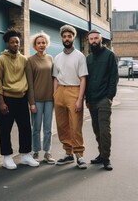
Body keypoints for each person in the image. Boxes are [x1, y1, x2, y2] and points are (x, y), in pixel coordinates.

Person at [0, 28, 39, 170]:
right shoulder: (0, 60)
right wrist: (1, 102)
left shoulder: (24, 59)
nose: (15, 44)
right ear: (7, 43)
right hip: (7, 99)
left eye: (17, 42)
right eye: (12, 42)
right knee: (4, 129)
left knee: (25, 127)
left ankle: (25, 155)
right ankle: (6, 157)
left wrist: (30, 101)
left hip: (22, 99)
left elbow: (29, 80)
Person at [53, 24, 88, 169]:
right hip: (60, 91)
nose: (67, 39)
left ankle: (79, 155)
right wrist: (55, 95)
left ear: (74, 37)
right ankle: (68, 153)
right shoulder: (58, 57)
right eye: (64, 36)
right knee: (62, 125)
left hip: (75, 91)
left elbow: (83, 78)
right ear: (61, 38)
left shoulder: (80, 56)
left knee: (75, 125)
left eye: (69, 36)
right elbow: (55, 77)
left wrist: (80, 99)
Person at [86, 29, 118, 171]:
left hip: (104, 99)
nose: (93, 41)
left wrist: (110, 96)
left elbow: (113, 77)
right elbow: (85, 80)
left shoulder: (110, 55)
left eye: (96, 38)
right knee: (96, 130)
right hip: (92, 100)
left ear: (101, 40)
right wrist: (87, 98)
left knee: (105, 130)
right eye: (91, 39)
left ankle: (106, 158)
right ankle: (101, 153)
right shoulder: (88, 58)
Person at [26, 32, 55, 165]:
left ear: (46, 44)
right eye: (39, 43)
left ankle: (47, 152)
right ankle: (36, 151)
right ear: (34, 45)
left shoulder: (50, 58)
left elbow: (55, 78)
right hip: (36, 100)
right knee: (36, 127)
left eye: (43, 42)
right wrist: (31, 102)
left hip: (49, 99)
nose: (41, 45)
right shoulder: (30, 61)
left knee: (48, 128)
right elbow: (30, 83)